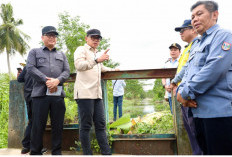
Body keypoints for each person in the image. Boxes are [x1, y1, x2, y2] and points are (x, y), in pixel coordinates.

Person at [177, 1, 232, 155]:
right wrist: (179, 92)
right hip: (199, 113)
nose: (194, 19)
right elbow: (187, 71)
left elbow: (214, 69)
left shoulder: (223, 36)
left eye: (199, 14)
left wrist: (185, 93)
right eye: (192, 16)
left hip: (218, 113)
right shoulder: (198, 44)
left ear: (215, 15)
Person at [74, 29, 118, 155]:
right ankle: (87, 154)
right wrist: (97, 60)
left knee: (100, 124)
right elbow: (79, 65)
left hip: (97, 94)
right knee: (86, 126)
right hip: (84, 94)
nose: (96, 40)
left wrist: (113, 70)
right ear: (86, 38)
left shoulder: (96, 53)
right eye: (93, 37)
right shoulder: (81, 50)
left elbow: (101, 68)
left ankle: (106, 153)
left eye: (98, 38)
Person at [27, 26, 70, 155]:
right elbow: (30, 68)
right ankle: (35, 152)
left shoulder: (61, 54)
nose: (52, 38)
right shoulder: (34, 52)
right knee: (38, 125)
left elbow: (67, 71)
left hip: (57, 93)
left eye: (54, 36)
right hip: (40, 95)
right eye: (49, 35)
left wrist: (56, 81)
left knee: (58, 125)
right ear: (42, 37)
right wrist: (47, 80)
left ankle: (56, 152)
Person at [170, 20, 202, 155]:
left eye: (183, 30)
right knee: (190, 129)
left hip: (189, 92)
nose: (181, 33)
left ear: (193, 30)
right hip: (183, 91)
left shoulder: (197, 45)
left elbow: (186, 69)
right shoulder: (188, 48)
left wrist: (174, 81)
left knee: (195, 129)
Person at [17, 65, 47, 154]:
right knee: (38, 123)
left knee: (32, 121)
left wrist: (20, 73)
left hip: (28, 96)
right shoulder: (42, 65)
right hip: (37, 96)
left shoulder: (27, 67)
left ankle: (26, 145)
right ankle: (36, 147)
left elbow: (19, 79)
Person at [162, 43, 181, 114]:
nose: (173, 52)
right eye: (171, 50)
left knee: (181, 115)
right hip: (169, 93)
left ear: (179, 51)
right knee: (173, 113)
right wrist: (165, 86)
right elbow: (163, 77)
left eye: (175, 50)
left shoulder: (181, 61)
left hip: (179, 92)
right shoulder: (166, 64)